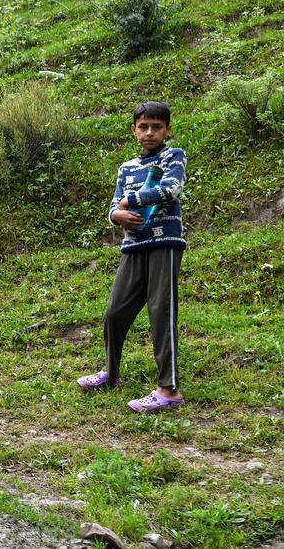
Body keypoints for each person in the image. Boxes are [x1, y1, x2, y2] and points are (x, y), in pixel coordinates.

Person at [76, 100, 187, 414]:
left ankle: (169, 390)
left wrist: (131, 199)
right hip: (133, 246)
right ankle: (111, 375)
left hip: (164, 243)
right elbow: (114, 205)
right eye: (143, 127)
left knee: (160, 312)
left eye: (156, 127)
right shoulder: (126, 168)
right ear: (134, 130)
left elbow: (171, 189)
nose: (149, 133)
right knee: (115, 312)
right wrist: (116, 216)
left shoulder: (172, 156)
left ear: (167, 129)